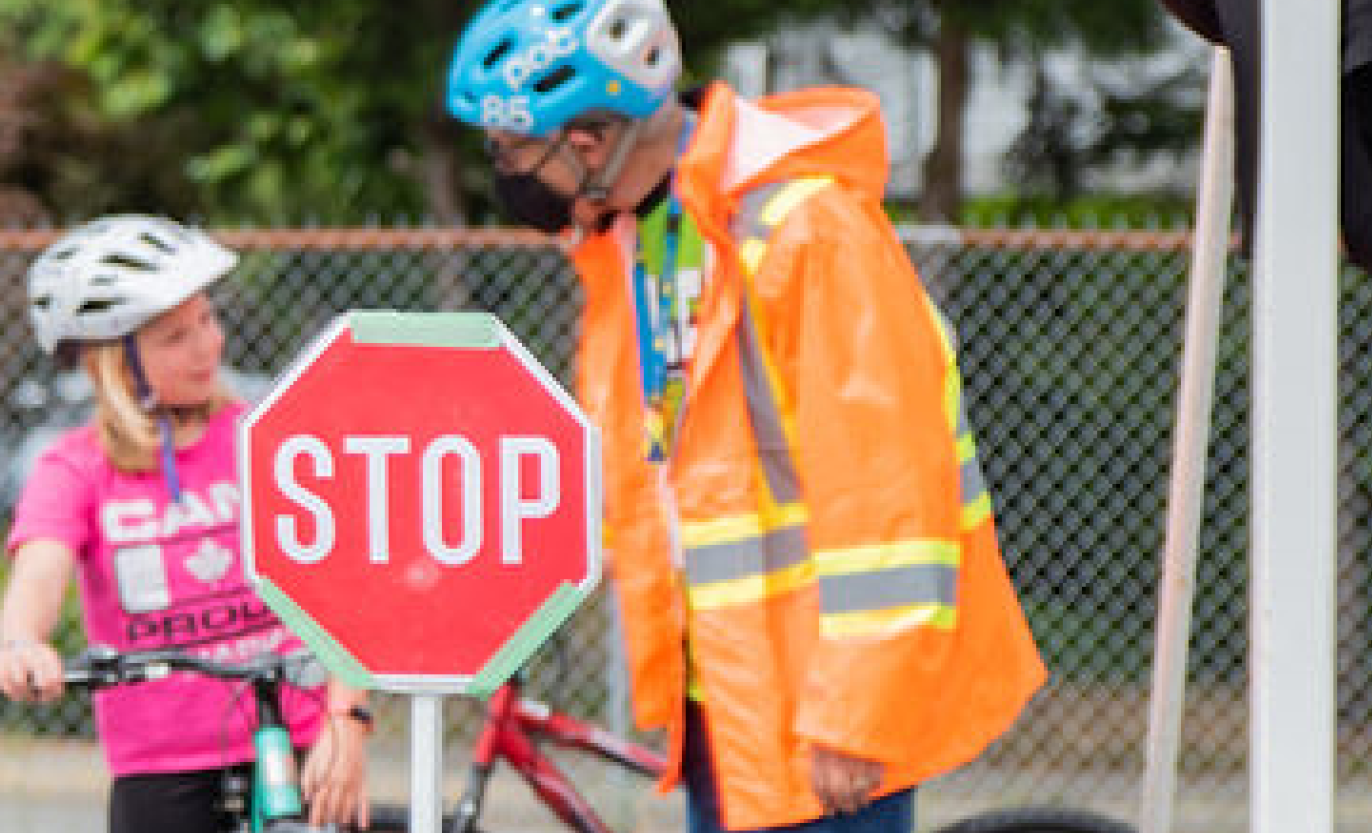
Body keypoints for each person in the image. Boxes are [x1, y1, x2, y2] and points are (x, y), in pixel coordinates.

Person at [437, 1, 1048, 830]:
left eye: (511, 149)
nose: (505, 173)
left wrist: (857, 712)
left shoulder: (804, 231)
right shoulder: (635, 240)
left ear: (584, 140)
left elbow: (888, 490)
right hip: (727, 701)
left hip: (819, 720)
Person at [0, 215, 374, 833]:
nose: (207, 346)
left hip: (301, 740)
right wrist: (22, 643)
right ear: (115, 360)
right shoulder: (77, 466)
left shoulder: (267, 438)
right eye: (174, 337)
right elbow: (39, 569)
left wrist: (346, 720)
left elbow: (346, 585)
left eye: (207, 320)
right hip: (162, 769)